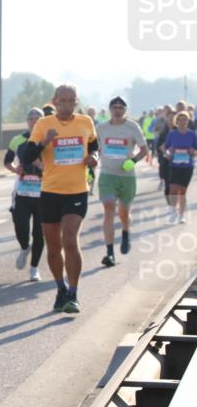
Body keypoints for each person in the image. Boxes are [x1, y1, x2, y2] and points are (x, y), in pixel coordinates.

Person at [23, 84, 98, 314]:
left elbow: (93, 146)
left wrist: (93, 157)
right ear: (55, 102)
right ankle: (60, 288)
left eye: (71, 100)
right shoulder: (44, 124)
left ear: (76, 101)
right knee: (54, 247)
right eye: (62, 101)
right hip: (50, 192)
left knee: (70, 240)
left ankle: (73, 293)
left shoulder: (85, 122)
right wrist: (45, 142)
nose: (67, 105)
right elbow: (27, 155)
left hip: (77, 191)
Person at [96, 96, 148, 265]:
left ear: (125, 110)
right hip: (107, 174)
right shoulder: (101, 128)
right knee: (109, 207)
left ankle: (126, 231)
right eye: (115, 107)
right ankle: (110, 252)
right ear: (110, 109)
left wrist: (132, 161)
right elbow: (94, 148)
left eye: (121, 107)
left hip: (127, 177)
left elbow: (144, 150)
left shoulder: (132, 127)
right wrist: (93, 160)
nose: (117, 110)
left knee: (124, 212)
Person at [4, 108, 44, 281]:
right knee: (20, 227)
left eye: (37, 118)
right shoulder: (18, 140)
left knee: (39, 233)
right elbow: (7, 161)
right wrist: (16, 169)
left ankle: (34, 268)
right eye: (31, 118)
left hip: (43, 194)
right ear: (27, 121)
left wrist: (44, 168)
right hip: (22, 192)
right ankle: (24, 247)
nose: (34, 121)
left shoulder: (48, 140)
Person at [163, 110, 197, 223]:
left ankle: (181, 215)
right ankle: (173, 211)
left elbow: (196, 149)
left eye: (185, 120)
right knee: (173, 189)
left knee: (182, 192)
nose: (182, 122)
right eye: (180, 120)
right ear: (176, 121)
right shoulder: (172, 134)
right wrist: (167, 154)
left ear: (188, 121)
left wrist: (194, 152)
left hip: (187, 166)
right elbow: (165, 148)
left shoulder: (192, 134)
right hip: (174, 165)